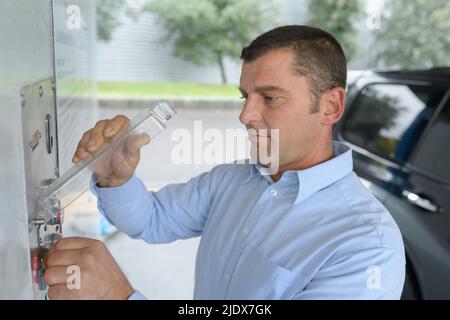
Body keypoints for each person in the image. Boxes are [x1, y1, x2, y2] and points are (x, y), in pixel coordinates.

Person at [44, 25, 405, 300]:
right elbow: (151, 220)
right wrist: (115, 176)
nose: (246, 115)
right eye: (246, 96)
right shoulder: (235, 181)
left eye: (270, 97)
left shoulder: (366, 244)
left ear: (330, 107)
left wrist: (118, 295)